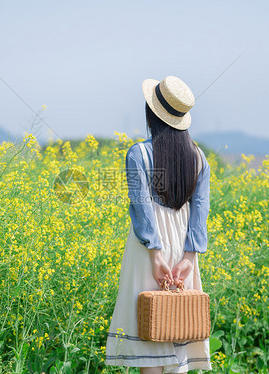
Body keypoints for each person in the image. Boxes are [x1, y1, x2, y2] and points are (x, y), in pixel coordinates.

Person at [105, 76, 212, 373]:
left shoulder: (138, 153)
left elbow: (142, 205)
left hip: (149, 245)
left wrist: (155, 253)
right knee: (177, 323)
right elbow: (200, 209)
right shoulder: (199, 157)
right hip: (182, 241)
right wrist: (190, 257)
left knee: (150, 326)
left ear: (151, 113)